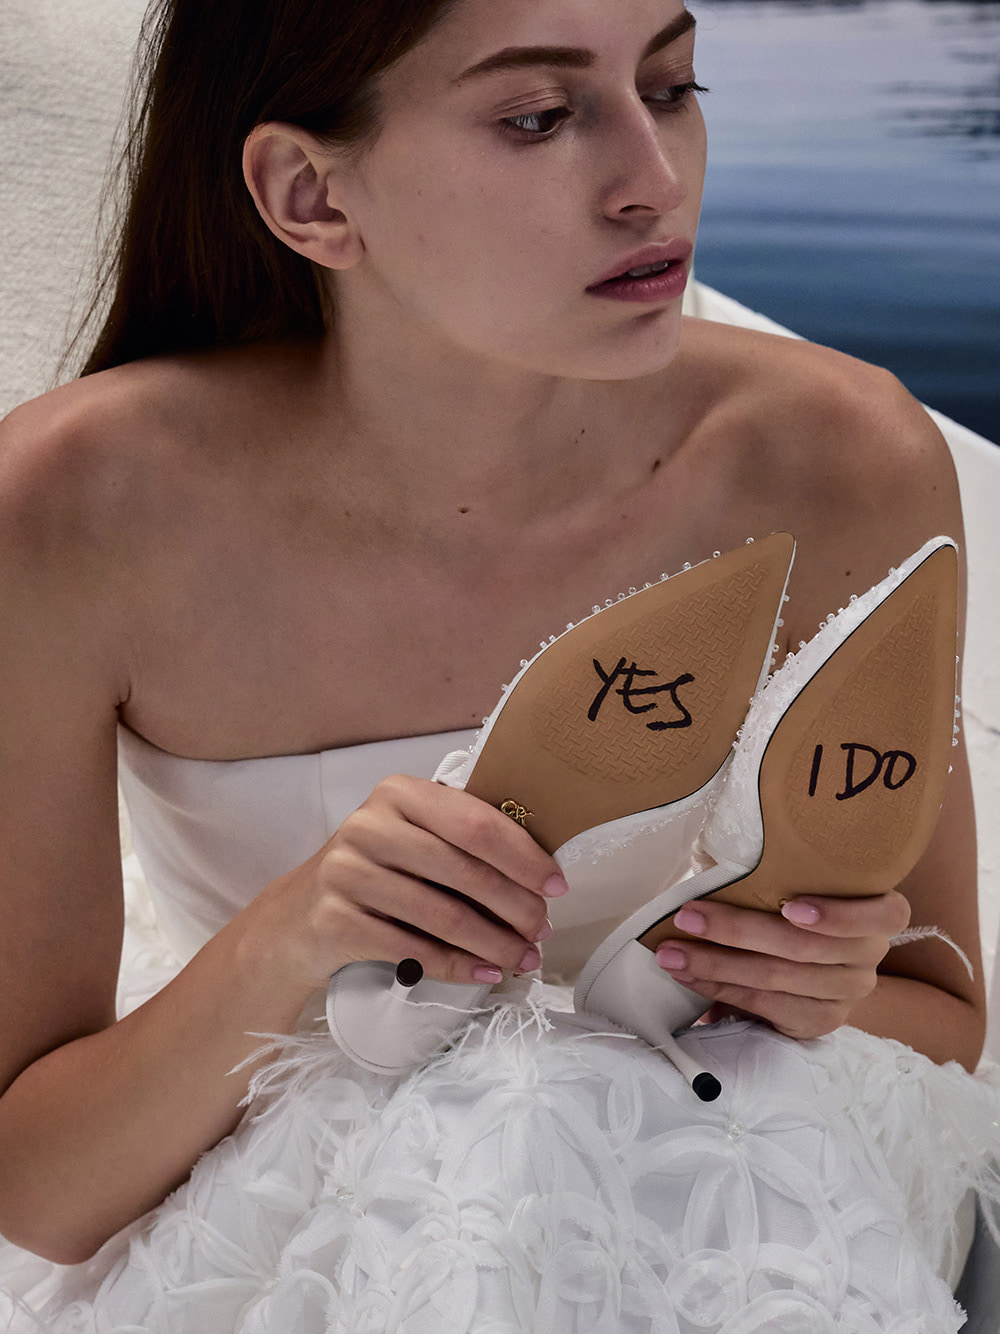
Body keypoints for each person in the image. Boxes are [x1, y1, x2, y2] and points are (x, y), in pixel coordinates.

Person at [0, 0, 995, 1329]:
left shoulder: (842, 459)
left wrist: (825, 988)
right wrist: (294, 935)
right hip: (312, 1210)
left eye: (676, 87)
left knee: (563, 1094)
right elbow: (39, 1186)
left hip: (752, 1185)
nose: (655, 181)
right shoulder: (79, 508)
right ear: (309, 193)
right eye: (538, 117)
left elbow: (946, 1020)